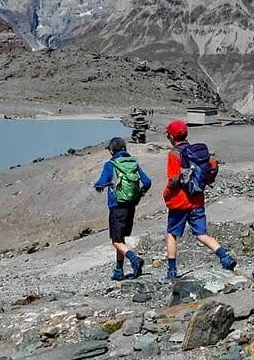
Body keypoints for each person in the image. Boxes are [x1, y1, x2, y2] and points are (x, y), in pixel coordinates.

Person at [162, 120, 236, 279]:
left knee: (172, 234)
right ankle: (224, 257)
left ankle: (172, 270)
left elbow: (174, 179)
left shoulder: (174, 154)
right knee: (202, 234)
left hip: (179, 203)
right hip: (197, 200)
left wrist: (166, 194)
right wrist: (207, 181)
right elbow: (213, 166)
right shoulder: (198, 152)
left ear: (172, 136)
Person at [93, 137, 151, 281]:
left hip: (117, 206)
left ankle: (134, 259)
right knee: (121, 238)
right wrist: (139, 194)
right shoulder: (133, 162)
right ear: (124, 149)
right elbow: (147, 182)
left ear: (112, 150)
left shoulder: (110, 164)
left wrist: (99, 186)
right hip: (131, 205)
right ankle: (119, 271)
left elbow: (101, 182)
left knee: (116, 241)